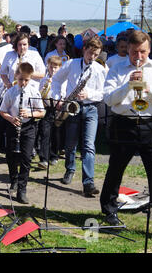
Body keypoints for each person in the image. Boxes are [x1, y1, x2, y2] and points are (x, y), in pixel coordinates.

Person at [100, 31, 152, 234]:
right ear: (127, 49)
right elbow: (109, 100)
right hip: (124, 124)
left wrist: (150, 90)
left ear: (149, 50)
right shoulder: (117, 68)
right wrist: (127, 85)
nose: (138, 57)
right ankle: (109, 210)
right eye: (134, 52)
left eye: (143, 52)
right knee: (116, 169)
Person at [50, 38, 106, 197]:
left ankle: (88, 182)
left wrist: (90, 94)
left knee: (89, 145)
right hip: (72, 106)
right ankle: (70, 169)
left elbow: (103, 92)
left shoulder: (99, 69)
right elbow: (56, 80)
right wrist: (58, 97)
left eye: (95, 55)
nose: (92, 57)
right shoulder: (71, 64)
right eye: (90, 53)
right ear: (84, 50)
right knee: (70, 143)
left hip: (90, 108)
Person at [0, 62, 45, 203]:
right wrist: (11, 118)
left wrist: (30, 113)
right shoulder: (11, 92)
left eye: (26, 80)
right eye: (20, 79)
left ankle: (22, 189)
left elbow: (42, 112)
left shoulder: (34, 92)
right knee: (11, 155)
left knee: (26, 158)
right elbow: (2, 111)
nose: (23, 83)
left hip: (29, 127)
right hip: (13, 125)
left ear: (30, 78)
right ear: (16, 77)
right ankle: (13, 179)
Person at [37, 56, 63, 169]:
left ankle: (54, 155)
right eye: (51, 67)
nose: (53, 69)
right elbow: (39, 94)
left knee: (56, 134)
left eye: (55, 67)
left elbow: (64, 93)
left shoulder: (62, 80)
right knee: (44, 133)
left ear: (60, 68)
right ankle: (43, 159)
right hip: (46, 108)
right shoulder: (44, 80)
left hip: (57, 109)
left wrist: (60, 102)